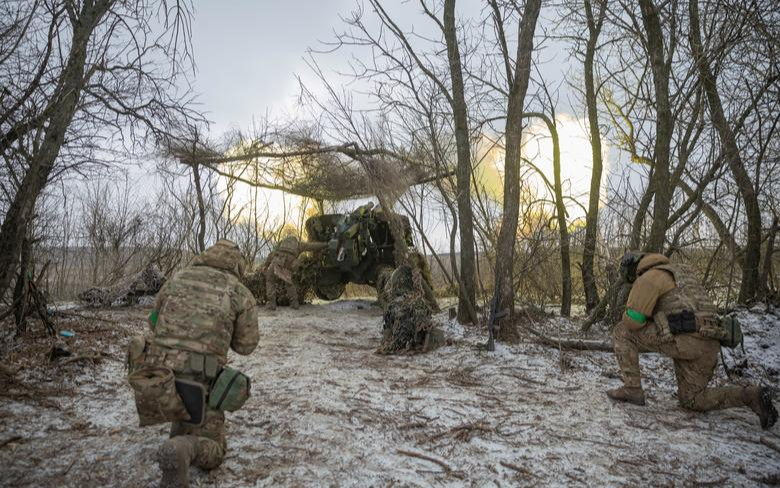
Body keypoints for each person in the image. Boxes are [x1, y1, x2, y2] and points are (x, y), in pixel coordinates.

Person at [128, 240, 259, 487]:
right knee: (215, 451)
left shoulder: (177, 279)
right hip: (201, 382)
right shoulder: (239, 292)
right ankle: (184, 448)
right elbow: (246, 346)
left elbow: (154, 322)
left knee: (186, 411)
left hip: (160, 378)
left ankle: (178, 440)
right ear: (237, 266)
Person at [607, 251, 777, 429]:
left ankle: (632, 389)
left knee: (622, 330)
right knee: (693, 399)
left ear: (634, 270)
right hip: (710, 341)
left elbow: (634, 320)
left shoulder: (648, 278)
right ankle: (750, 396)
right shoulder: (682, 273)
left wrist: (635, 315)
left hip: (684, 339)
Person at [264, 235, 326, 311]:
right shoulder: (299, 245)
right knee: (288, 282)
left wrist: (266, 265)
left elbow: (272, 254)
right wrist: (326, 244)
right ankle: (294, 303)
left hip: (278, 260)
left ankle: (271, 303)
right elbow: (313, 246)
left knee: (270, 280)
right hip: (291, 262)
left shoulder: (281, 243)